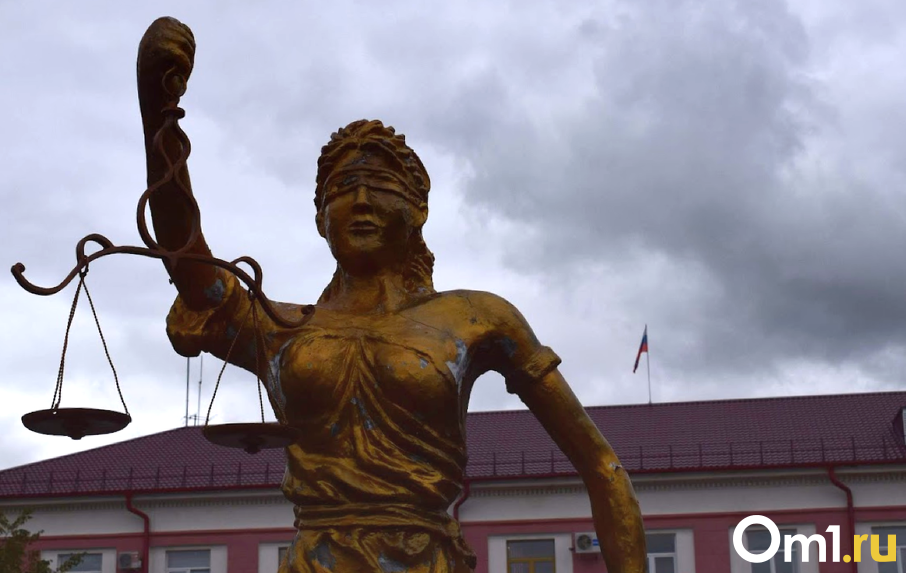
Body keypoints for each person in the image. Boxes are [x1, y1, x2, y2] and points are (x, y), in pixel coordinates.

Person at [138, 17, 646, 573]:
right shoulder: (282, 328)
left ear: (418, 209)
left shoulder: (476, 319)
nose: (360, 201)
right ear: (319, 217)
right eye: (341, 190)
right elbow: (188, 260)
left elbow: (601, 466)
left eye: (380, 186)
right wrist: (156, 115)